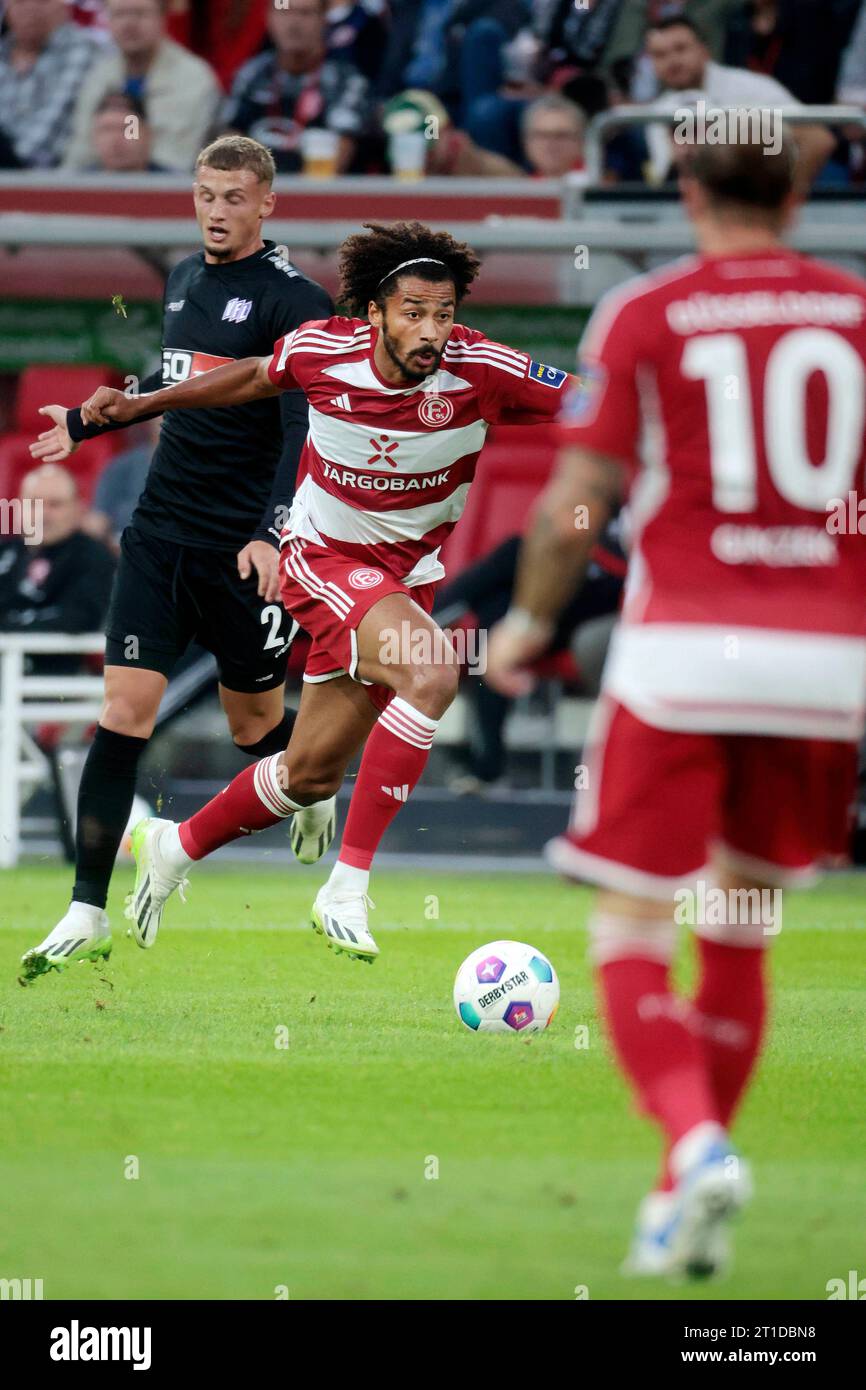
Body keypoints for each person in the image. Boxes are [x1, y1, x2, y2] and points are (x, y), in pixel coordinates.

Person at [484, 132, 866, 1278]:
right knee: (740, 917)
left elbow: (580, 493)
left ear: (686, 192)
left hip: (685, 653)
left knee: (630, 925)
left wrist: (529, 621)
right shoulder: (854, 312)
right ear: (798, 196)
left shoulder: (647, 312)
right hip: (827, 665)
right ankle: (677, 1190)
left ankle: (692, 1142)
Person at [71, 220, 576, 964]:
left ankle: (175, 848)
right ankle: (346, 887)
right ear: (374, 311)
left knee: (308, 776)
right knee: (432, 671)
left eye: (444, 314)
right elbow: (247, 377)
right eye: (413, 312)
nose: (431, 329)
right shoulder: (322, 350)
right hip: (325, 556)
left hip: (406, 579)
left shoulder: (481, 368)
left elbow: (591, 404)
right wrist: (142, 406)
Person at [19, 135, 334, 986]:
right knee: (123, 712)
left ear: (267, 204)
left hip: (244, 548)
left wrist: (274, 532)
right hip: (159, 533)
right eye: (205, 194)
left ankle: (316, 781)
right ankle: (86, 909)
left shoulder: (298, 301)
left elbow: (303, 428)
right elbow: (176, 380)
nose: (217, 210)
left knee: (255, 730)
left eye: (235, 197)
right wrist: (104, 412)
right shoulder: (182, 279)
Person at [644, 13, 835, 185]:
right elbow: (666, 180)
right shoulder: (658, 113)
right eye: (660, 55)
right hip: (705, 213)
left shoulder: (751, 88)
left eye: (681, 48)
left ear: (704, 50)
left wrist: (784, 199)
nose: (672, 61)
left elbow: (819, 139)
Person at [62, 0, 222, 173]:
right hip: (96, 187)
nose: (129, 24)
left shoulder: (193, 77)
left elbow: (176, 159)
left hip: (163, 190)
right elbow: (80, 152)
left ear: (163, 17)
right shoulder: (98, 75)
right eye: (119, 14)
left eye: (140, 13)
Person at [221, 0, 371, 175]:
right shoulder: (252, 73)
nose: (293, 23)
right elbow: (230, 138)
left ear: (324, 20)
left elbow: (342, 150)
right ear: (269, 18)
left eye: (305, 13)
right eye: (284, 12)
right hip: (256, 189)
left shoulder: (346, 80)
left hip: (315, 192)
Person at [0, 465, 115, 675]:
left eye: (55, 505)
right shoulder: (5, 552)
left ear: (78, 508)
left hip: (57, 685)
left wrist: (10, 625)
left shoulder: (93, 556)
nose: (43, 514)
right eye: (33, 503)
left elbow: (78, 618)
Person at [0, 0, 101, 168]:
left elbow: (54, 121)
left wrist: (9, 163)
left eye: (42, 1)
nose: (31, 8)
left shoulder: (82, 50)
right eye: (20, 2)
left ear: (63, 6)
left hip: (54, 179)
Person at [86, 90, 167, 173]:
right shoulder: (79, 181)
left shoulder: (173, 182)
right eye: (107, 129)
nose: (116, 140)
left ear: (148, 135)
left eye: (128, 129)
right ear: (94, 136)